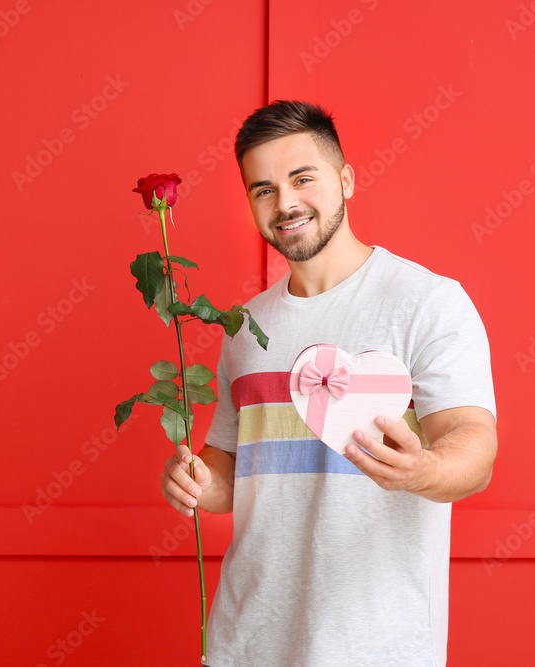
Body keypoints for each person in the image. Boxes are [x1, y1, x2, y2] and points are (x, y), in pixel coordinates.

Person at [160, 100, 498, 667]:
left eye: (302, 179)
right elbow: (228, 475)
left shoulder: (427, 303)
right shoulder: (245, 328)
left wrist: (425, 471)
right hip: (247, 641)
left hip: (376, 645)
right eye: (262, 189)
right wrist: (194, 481)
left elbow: (475, 449)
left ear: (345, 180)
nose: (285, 203)